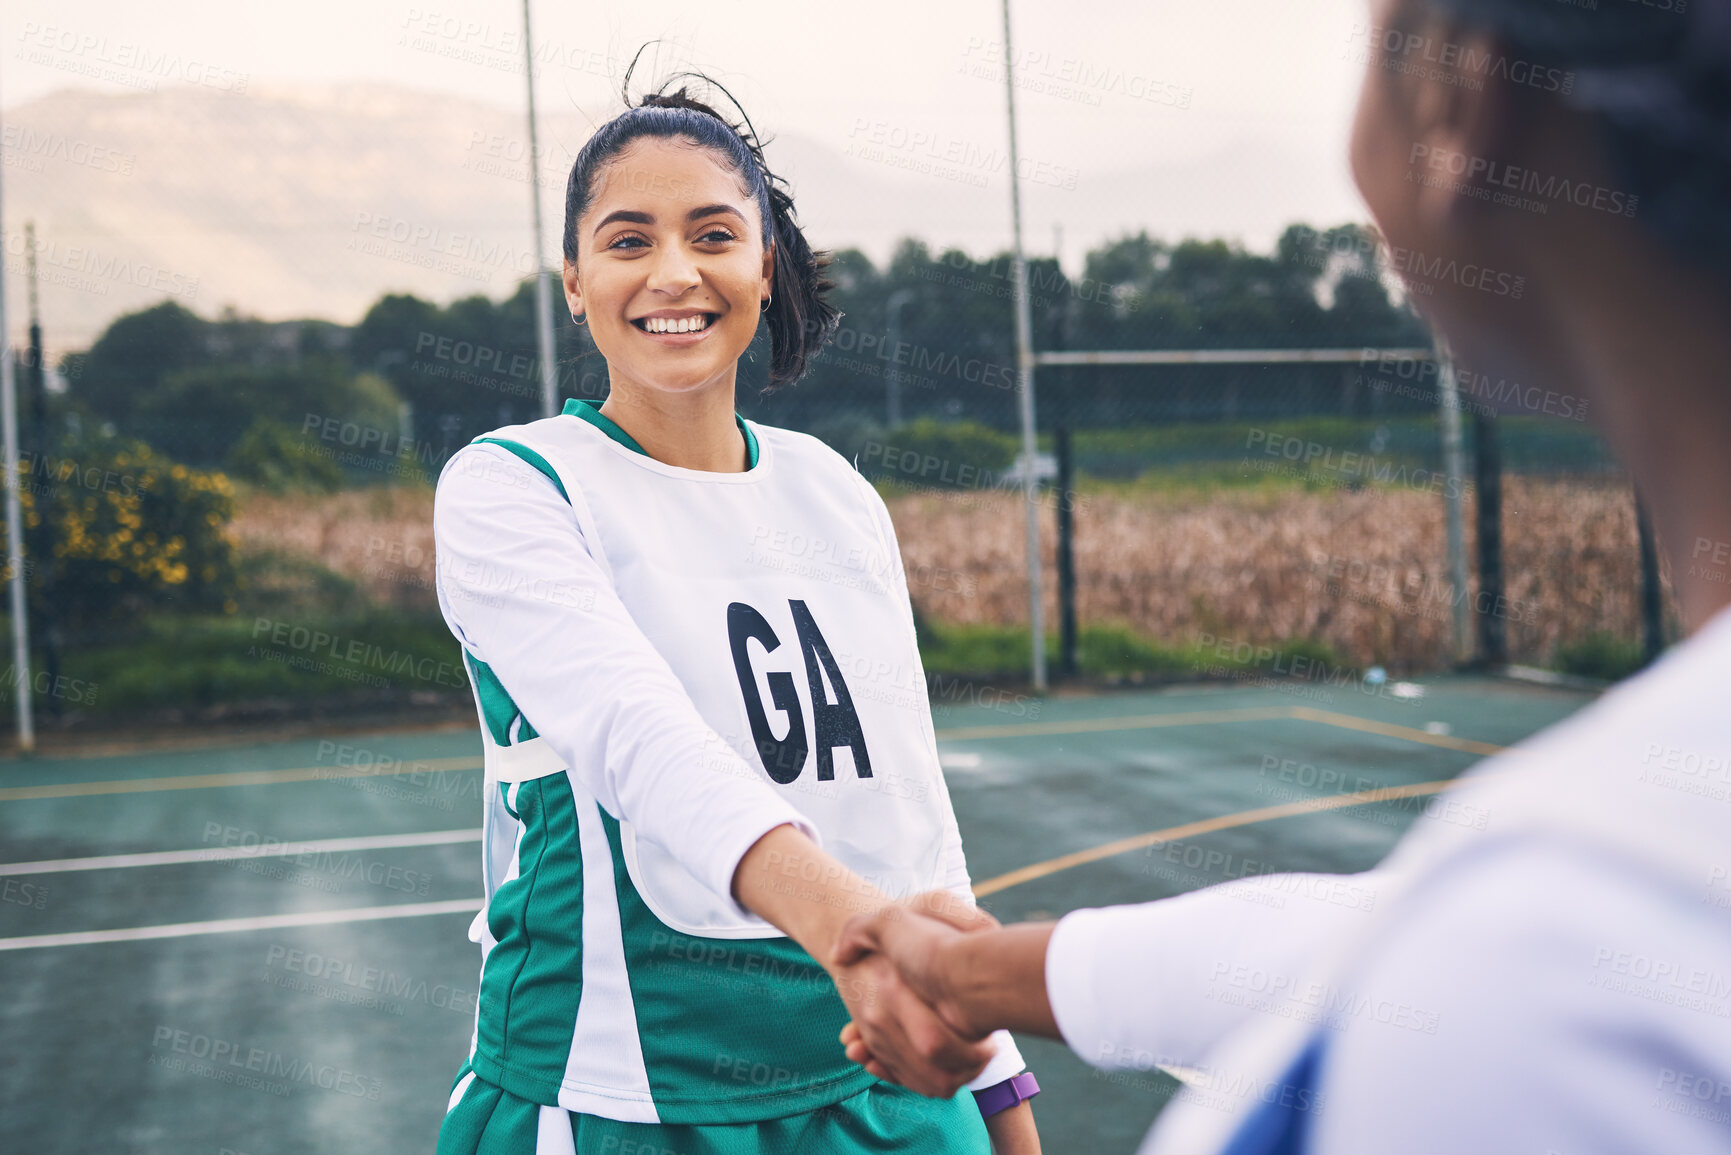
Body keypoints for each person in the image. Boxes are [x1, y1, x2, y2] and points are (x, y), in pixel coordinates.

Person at [835, 0, 1731, 1151]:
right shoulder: (1603, 902)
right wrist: (978, 975)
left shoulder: (1545, 979)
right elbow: (1385, 944)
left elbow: (1476, 971)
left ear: (1462, 96)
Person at [430, 67, 1041, 1154]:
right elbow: (643, 740)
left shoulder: (835, 492)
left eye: (713, 234)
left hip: (894, 1090)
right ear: (573, 280)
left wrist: (997, 1085)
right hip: (631, 1101)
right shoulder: (513, 485)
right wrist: (857, 937)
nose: (674, 272)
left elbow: (912, 807)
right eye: (628, 241)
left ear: (764, 266)